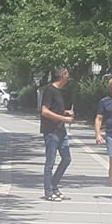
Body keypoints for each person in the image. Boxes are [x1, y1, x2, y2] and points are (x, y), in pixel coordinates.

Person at [40, 67, 74, 201]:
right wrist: (64, 118)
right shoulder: (50, 90)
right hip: (51, 131)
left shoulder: (59, 91)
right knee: (50, 161)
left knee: (67, 159)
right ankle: (48, 192)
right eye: (67, 73)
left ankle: (53, 186)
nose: (69, 76)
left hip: (60, 130)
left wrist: (65, 112)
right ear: (63, 75)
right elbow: (44, 111)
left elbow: (55, 109)